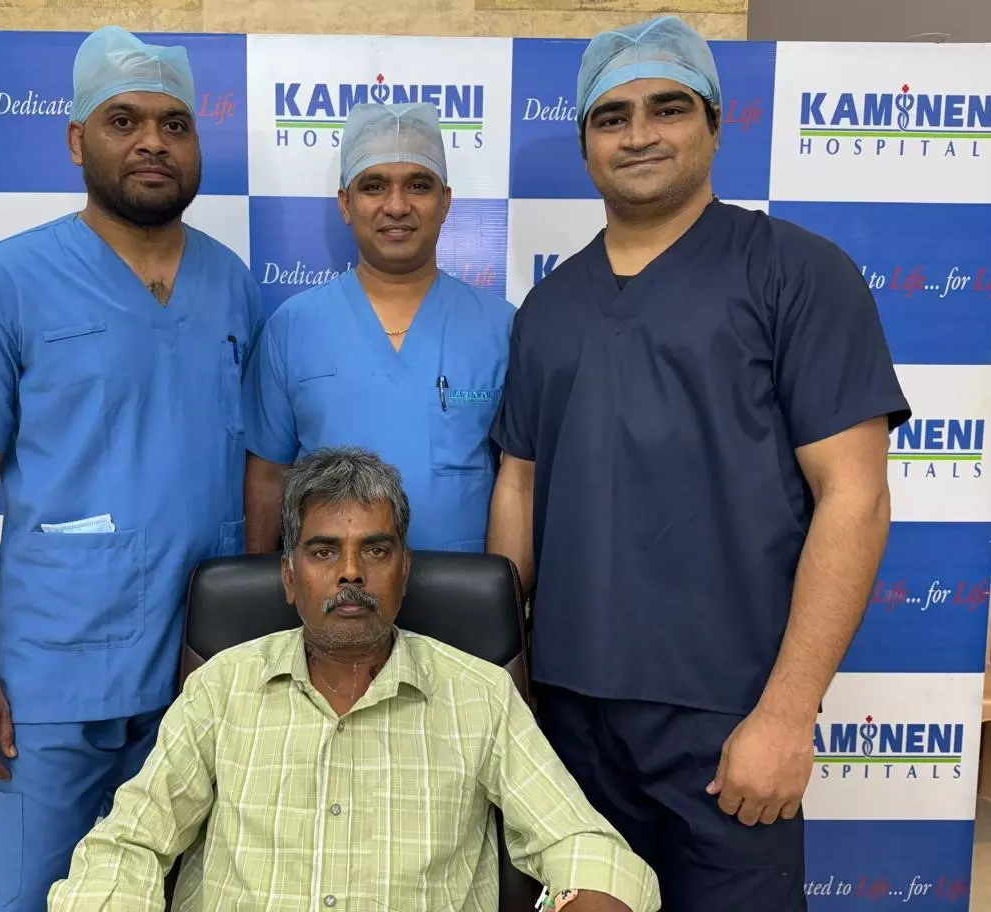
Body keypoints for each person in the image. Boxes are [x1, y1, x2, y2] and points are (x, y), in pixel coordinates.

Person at [487, 15, 910, 911]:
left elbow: (856, 497)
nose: (639, 134)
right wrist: (505, 690)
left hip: (732, 720)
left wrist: (788, 713)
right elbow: (518, 483)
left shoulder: (797, 275)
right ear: (585, 144)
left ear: (716, 124)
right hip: (567, 722)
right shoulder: (548, 309)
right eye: (612, 117)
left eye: (667, 108)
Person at [0, 26, 263, 911]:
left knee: (180, 891)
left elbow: (261, 469)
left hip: (200, 667)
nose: (152, 142)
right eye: (123, 120)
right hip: (57, 672)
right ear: (76, 140)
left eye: (175, 124)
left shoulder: (233, 285)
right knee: (27, 892)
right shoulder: (4, 283)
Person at [46, 447, 662, 912]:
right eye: (322, 552)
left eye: (375, 550)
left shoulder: (480, 695)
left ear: (404, 571)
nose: (350, 573)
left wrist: (590, 896)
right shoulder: (222, 687)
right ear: (289, 578)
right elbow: (130, 843)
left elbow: (583, 844)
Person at [243, 102, 515, 555]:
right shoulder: (293, 327)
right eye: (374, 186)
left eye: (418, 185)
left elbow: (520, 479)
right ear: (345, 204)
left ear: (446, 202)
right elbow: (268, 475)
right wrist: (258, 582)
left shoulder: (501, 327)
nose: (397, 206)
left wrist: (509, 588)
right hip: (333, 589)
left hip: (464, 588)